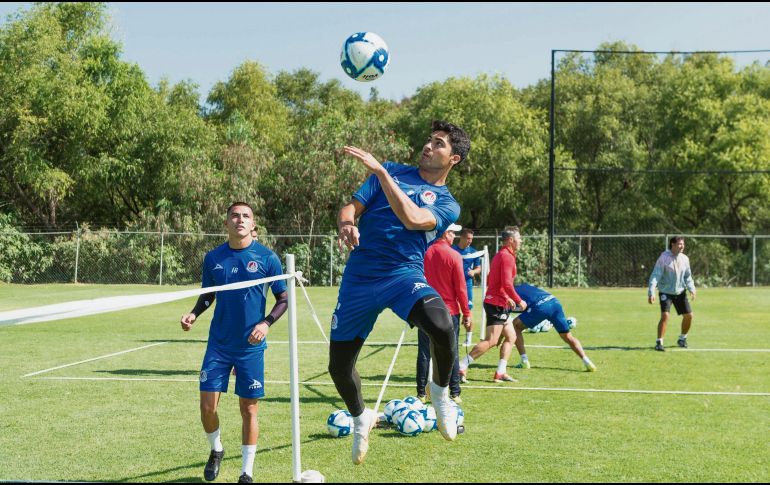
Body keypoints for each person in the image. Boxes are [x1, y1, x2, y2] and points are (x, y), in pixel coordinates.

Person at [331, 120, 470, 464]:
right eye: (429, 140)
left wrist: (380, 172)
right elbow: (350, 208)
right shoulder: (393, 171)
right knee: (338, 366)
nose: (428, 146)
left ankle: (439, 394)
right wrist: (347, 223)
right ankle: (361, 416)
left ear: (453, 159)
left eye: (439, 144)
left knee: (441, 324)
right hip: (360, 278)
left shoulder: (447, 203)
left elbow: (412, 219)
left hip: (402, 275)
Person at [180, 202, 288, 484]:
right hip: (219, 343)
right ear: (226, 223)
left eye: (246, 216)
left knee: (249, 409)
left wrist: (265, 323)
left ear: (254, 225)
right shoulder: (213, 258)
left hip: (250, 346)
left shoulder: (267, 258)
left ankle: (246, 472)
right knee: (207, 407)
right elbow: (208, 294)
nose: (240, 220)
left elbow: (283, 299)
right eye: (234, 216)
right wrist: (194, 313)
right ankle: (216, 450)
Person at [459, 227, 524, 384]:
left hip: (498, 301)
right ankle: (461, 366)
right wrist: (518, 300)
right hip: (496, 304)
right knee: (491, 340)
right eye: (519, 238)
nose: (521, 241)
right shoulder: (506, 257)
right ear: (510, 240)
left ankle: (500, 372)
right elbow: (507, 283)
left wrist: (505, 296)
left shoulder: (501, 255)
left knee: (511, 336)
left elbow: (492, 279)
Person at [417, 223, 472, 405]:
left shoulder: (424, 253)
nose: (454, 236)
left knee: (424, 352)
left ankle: (421, 393)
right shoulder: (454, 255)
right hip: (448, 312)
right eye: (452, 233)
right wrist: (467, 313)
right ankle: (454, 392)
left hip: (424, 309)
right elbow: (461, 288)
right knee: (451, 351)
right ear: (445, 233)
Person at [509, 284, 596, 372]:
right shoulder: (524, 285)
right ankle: (587, 362)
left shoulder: (508, 294)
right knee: (568, 337)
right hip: (554, 302)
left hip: (540, 307)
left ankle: (524, 361)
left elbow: (507, 315)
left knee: (515, 326)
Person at [648, 236, 696, 351]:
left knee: (689, 316)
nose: (682, 246)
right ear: (672, 245)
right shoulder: (664, 257)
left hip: (680, 292)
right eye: (679, 244)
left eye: (683, 244)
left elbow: (687, 276)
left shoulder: (685, 259)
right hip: (665, 292)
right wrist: (651, 292)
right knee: (665, 316)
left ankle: (682, 338)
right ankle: (659, 342)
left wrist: (692, 288)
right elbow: (655, 275)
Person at [452, 228, 482, 310]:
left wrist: (473, 271)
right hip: (453, 282)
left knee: (468, 306)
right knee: (452, 305)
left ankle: (468, 321)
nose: (470, 241)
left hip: (467, 282)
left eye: (471, 239)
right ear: (461, 237)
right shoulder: (452, 250)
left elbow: (478, 268)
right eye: (468, 238)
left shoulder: (474, 252)